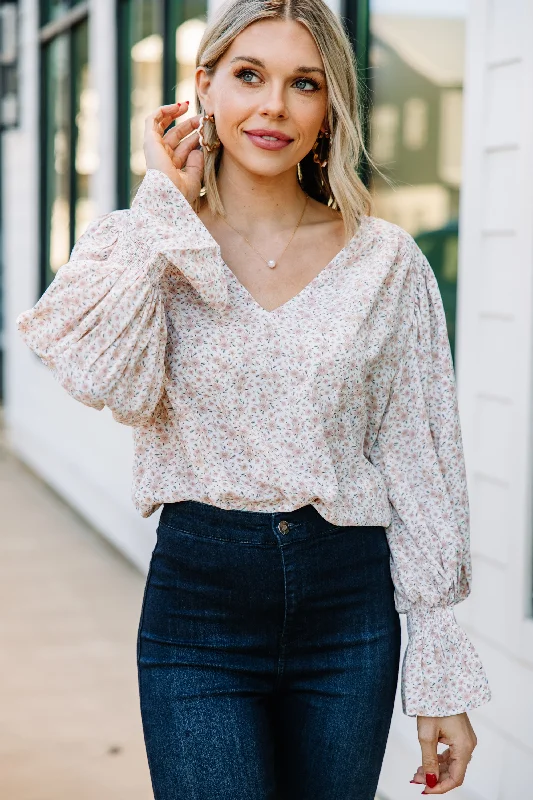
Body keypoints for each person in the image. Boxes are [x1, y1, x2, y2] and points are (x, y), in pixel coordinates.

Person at [15, 0, 491, 798]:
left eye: (302, 83)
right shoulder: (152, 242)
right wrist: (163, 200)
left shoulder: (387, 264)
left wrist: (439, 667)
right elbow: (98, 374)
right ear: (203, 90)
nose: (272, 106)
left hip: (349, 608)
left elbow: (417, 454)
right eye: (248, 75)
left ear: (329, 108)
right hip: (199, 604)